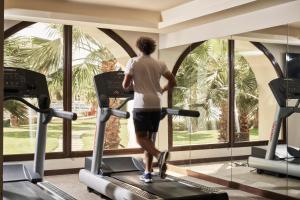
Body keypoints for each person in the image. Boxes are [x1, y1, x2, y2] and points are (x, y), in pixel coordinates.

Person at [122, 36, 176, 183]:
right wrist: (162, 90)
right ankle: (148, 172)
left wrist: (137, 85)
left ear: (139, 48)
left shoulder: (133, 61)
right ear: (152, 48)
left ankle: (160, 156)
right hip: (156, 104)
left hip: (142, 104)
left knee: (141, 139)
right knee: (149, 140)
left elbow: (125, 85)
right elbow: (173, 81)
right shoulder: (159, 63)